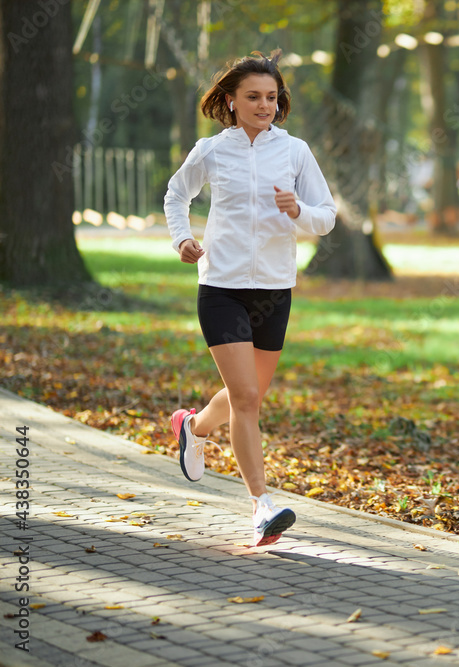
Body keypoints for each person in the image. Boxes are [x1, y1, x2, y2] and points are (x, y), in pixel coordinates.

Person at [163, 50, 337, 547]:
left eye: (271, 96)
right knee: (245, 398)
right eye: (253, 97)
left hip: (275, 290)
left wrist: (298, 208)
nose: (265, 104)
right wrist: (183, 240)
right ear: (231, 101)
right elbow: (178, 195)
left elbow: (325, 216)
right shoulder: (212, 151)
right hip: (221, 286)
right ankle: (262, 506)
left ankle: (194, 427)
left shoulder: (296, 151)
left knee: (250, 396)